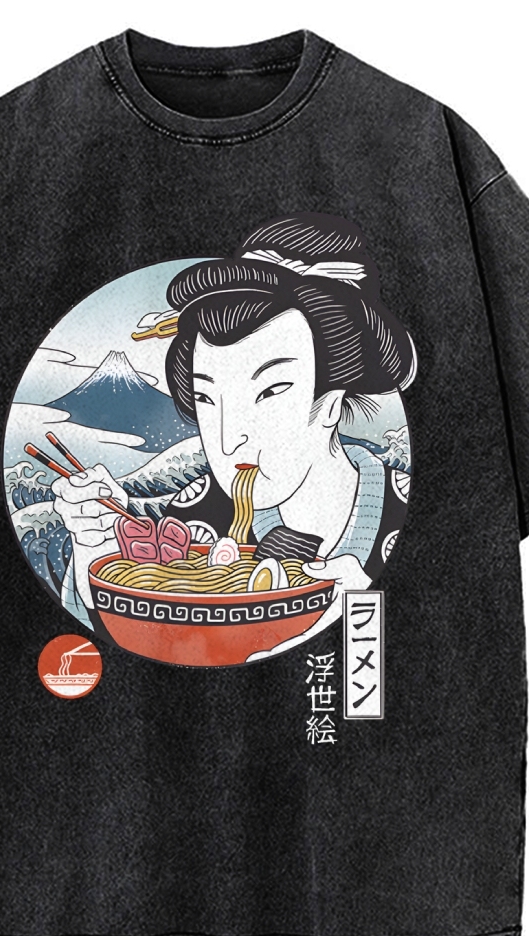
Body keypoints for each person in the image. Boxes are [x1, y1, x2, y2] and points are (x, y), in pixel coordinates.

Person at [53, 213, 417, 655]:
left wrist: (360, 614)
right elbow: (136, 644)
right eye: (206, 397)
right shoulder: (195, 519)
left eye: (270, 391)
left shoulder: (404, 508)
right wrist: (98, 545)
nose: (229, 441)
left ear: (330, 404)